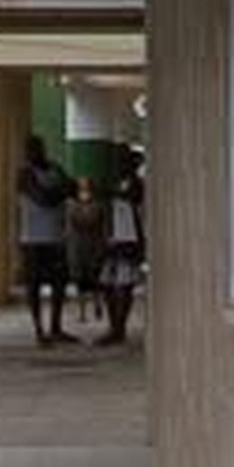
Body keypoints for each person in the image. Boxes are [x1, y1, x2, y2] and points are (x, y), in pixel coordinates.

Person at [12, 130, 76, 345]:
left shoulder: (54, 167)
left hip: (56, 235)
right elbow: (43, 198)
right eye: (30, 149)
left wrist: (60, 191)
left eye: (36, 148)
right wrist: (60, 191)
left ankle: (56, 327)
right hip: (32, 237)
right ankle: (39, 330)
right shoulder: (24, 173)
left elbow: (73, 187)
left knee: (59, 283)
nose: (33, 153)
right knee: (34, 284)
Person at [94, 146, 146, 348]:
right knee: (107, 283)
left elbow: (132, 197)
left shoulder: (136, 183)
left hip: (129, 238)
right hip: (113, 237)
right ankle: (113, 325)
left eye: (123, 161)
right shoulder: (115, 183)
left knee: (125, 285)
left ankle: (119, 327)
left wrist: (109, 192)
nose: (119, 165)